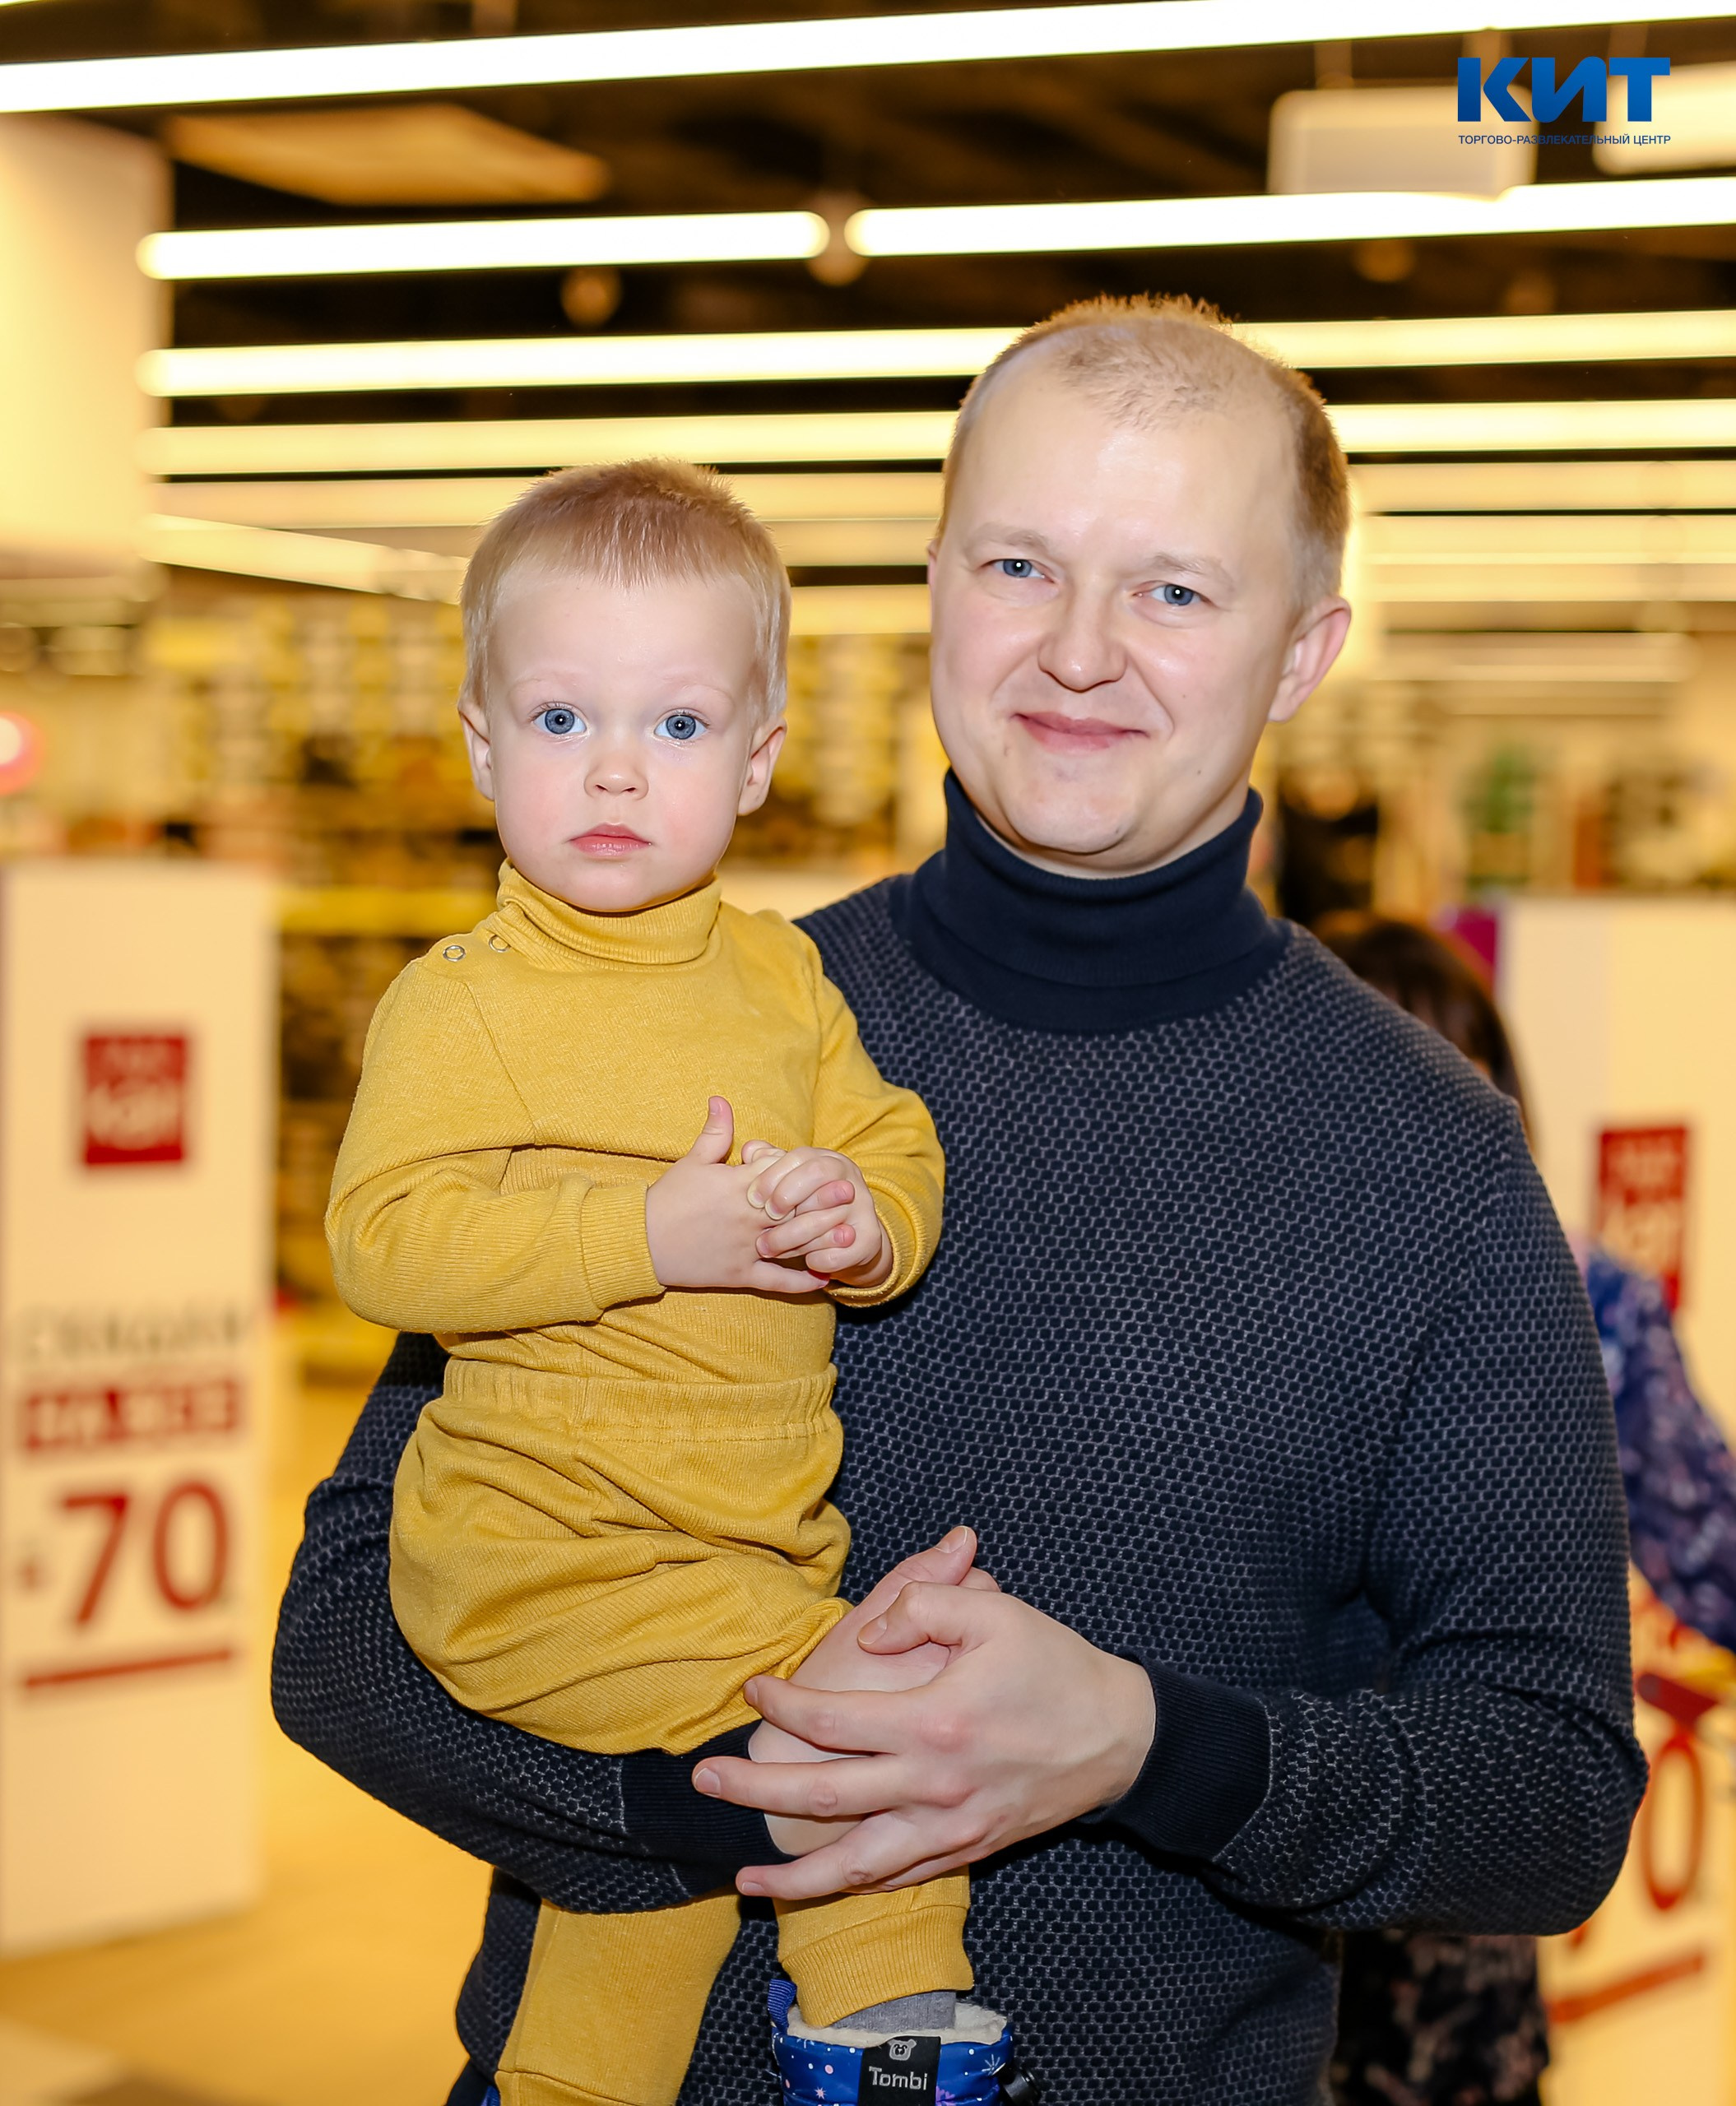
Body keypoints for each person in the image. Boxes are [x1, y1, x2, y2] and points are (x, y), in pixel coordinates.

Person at [273, 295, 1646, 2106]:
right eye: (1018, 562)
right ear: (932, 580)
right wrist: (701, 1808)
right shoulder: (653, 1005)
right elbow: (347, 1623)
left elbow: (1545, 1789)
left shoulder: (1427, 1164)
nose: (1077, 653)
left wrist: (1142, 1747)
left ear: (1302, 651)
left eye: (1171, 590)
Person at [324, 459, 1014, 2106]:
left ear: (759, 759)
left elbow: (896, 1145)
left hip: (733, 1538)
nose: (615, 768)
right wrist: (652, 1234)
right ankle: (890, 2037)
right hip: (544, 1552)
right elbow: (383, 1239)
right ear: (484, 742)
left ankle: (568, 2081)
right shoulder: (461, 1003)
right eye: (561, 720)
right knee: (867, 1744)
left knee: (634, 1889)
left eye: (678, 726)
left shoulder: (784, 980)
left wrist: (859, 1221)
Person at [1316, 911, 1736, 2106]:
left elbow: (1710, 1548)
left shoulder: (1582, 1296)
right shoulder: (1244, 1296)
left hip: (1450, 1893)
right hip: (1258, 1893)